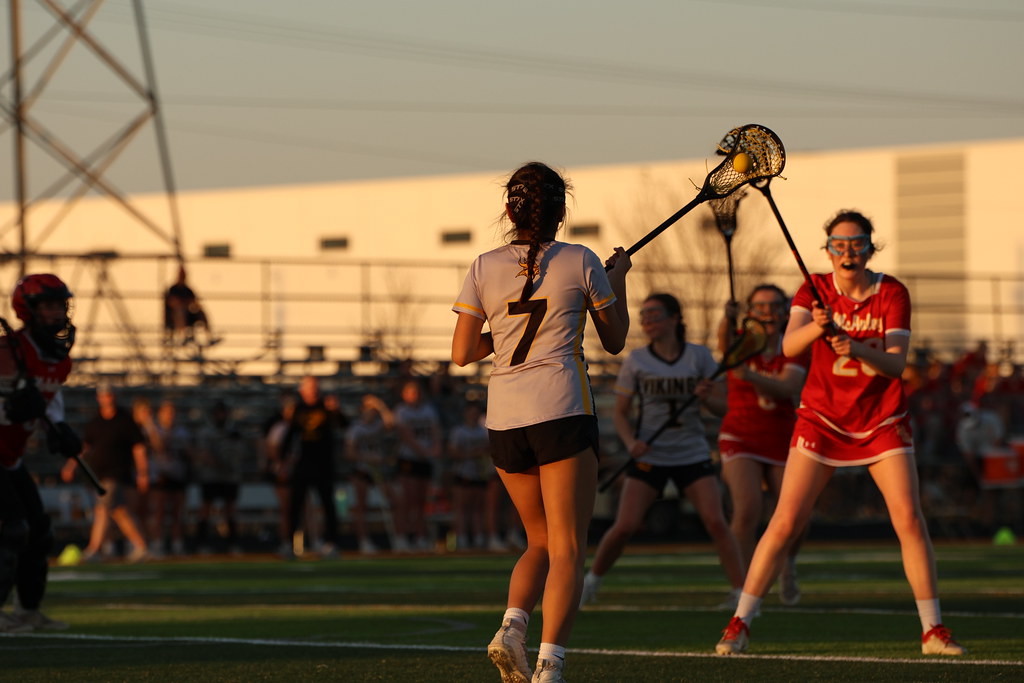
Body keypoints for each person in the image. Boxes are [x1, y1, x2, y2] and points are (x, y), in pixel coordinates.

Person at [715, 209, 965, 656]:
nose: (848, 253)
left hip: (881, 419)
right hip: (822, 419)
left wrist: (854, 346)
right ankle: (740, 623)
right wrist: (818, 325)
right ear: (828, 250)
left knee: (908, 518)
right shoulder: (814, 290)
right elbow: (789, 345)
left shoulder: (892, 292)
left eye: (857, 244)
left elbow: (896, 364)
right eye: (839, 245)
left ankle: (933, 630)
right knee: (785, 521)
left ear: (871, 247)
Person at [451, 161, 631, 683]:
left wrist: (502, 338)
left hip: (505, 418)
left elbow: (463, 351)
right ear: (561, 211)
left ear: (509, 209)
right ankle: (550, 666)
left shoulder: (484, 265)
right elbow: (615, 337)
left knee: (539, 541)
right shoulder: (581, 259)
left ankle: (512, 626)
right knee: (570, 545)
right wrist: (615, 280)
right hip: (561, 408)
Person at [580, 293, 745, 609]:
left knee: (715, 520)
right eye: (643, 316)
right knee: (625, 525)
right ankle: (591, 582)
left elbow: (723, 407)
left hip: (691, 452)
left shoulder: (698, 357)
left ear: (674, 318)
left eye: (655, 314)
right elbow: (620, 413)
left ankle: (742, 592)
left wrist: (706, 396)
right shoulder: (637, 361)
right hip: (650, 454)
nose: (648, 321)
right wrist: (632, 444)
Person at [716, 285, 809, 605]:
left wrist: (749, 375)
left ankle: (788, 566)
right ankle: (742, 589)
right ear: (749, 312)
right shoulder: (743, 341)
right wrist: (725, 320)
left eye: (774, 306)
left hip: (782, 436)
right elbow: (723, 342)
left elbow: (788, 387)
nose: (767, 312)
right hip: (740, 433)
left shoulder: (795, 344)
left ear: (785, 311)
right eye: (760, 306)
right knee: (747, 509)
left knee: (795, 515)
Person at [0, 274, 79, 633]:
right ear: (27, 310)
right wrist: (12, 406)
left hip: (9, 458)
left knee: (39, 532)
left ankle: (27, 610)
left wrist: (59, 428)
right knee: (11, 528)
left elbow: (50, 399)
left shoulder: (59, 360)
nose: (56, 313)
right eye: (47, 306)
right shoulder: (6, 353)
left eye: (59, 305)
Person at [61, 386, 149, 564]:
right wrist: (70, 466)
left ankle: (93, 549)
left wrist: (143, 472)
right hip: (98, 475)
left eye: (109, 395)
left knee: (102, 509)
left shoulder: (125, 420)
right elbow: (84, 448)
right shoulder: (95, 423)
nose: (107, 399)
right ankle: (141, 547)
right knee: (118, 512)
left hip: (117, 473)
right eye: (103, 395)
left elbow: (139, 448)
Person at [281, 375, 348, 559]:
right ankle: (288, 543)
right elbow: (290, 435)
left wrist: (336, 411)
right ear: (302, 390)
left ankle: (331, 543)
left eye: (314, 386)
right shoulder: (297, 409)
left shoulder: (326, 407)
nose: (312, 390)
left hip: (324, 463)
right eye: (308, 387)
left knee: (328, 505)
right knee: (295, 505)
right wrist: (282, 459)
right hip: (304, 463)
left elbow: (344, 425)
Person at [393, 379, 443, 552]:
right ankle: (402, 536)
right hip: (409, 459)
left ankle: (420, 536)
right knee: (408, 500)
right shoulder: (402, 411)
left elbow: (436, 431)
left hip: (425, 460)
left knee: (422, 502)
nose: (414, 396)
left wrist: (435, 448)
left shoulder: (428, 410)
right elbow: (406, 436)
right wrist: (426, 452)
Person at [193, 400, 247, 554]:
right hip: (211, 476)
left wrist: (229, 463)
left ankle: (233, 543)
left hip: (229, 477)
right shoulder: (206, 432)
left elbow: (240, 453)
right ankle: (202, 543)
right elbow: (203, 454)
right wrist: (219, 463)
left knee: (230, 509)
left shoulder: (234, 432)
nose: (221, 416)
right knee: (206, 508)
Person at [344, 394, 396, 554]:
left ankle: (399, 538)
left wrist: (380, 405)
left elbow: (391, 423)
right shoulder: (356, 429)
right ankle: (363, 541)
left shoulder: (378, 426)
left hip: (378, 470)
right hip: (362, 469)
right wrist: (368, 458)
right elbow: (349, 453)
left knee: (394, 501)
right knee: (361, 507)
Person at [147, 398, 192, 557]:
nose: (169, 416)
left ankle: (177, 543)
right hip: (160, 476)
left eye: (172, 412)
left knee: (177, 513)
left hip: (177, 474)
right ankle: (158, 543)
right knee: (158, 512)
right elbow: (158, 446)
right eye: (166, 412)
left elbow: (188, 453)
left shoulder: (181, 431)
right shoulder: (154, 429)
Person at [447, 401, 491, 551]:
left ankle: (478, 537)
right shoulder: (459, 431)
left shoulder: (483, 431)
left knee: (477, 507)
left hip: (479, 473)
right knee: (462, 508)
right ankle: (462, 538)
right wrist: (473, 454)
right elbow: (453, 452)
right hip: (463, 472)